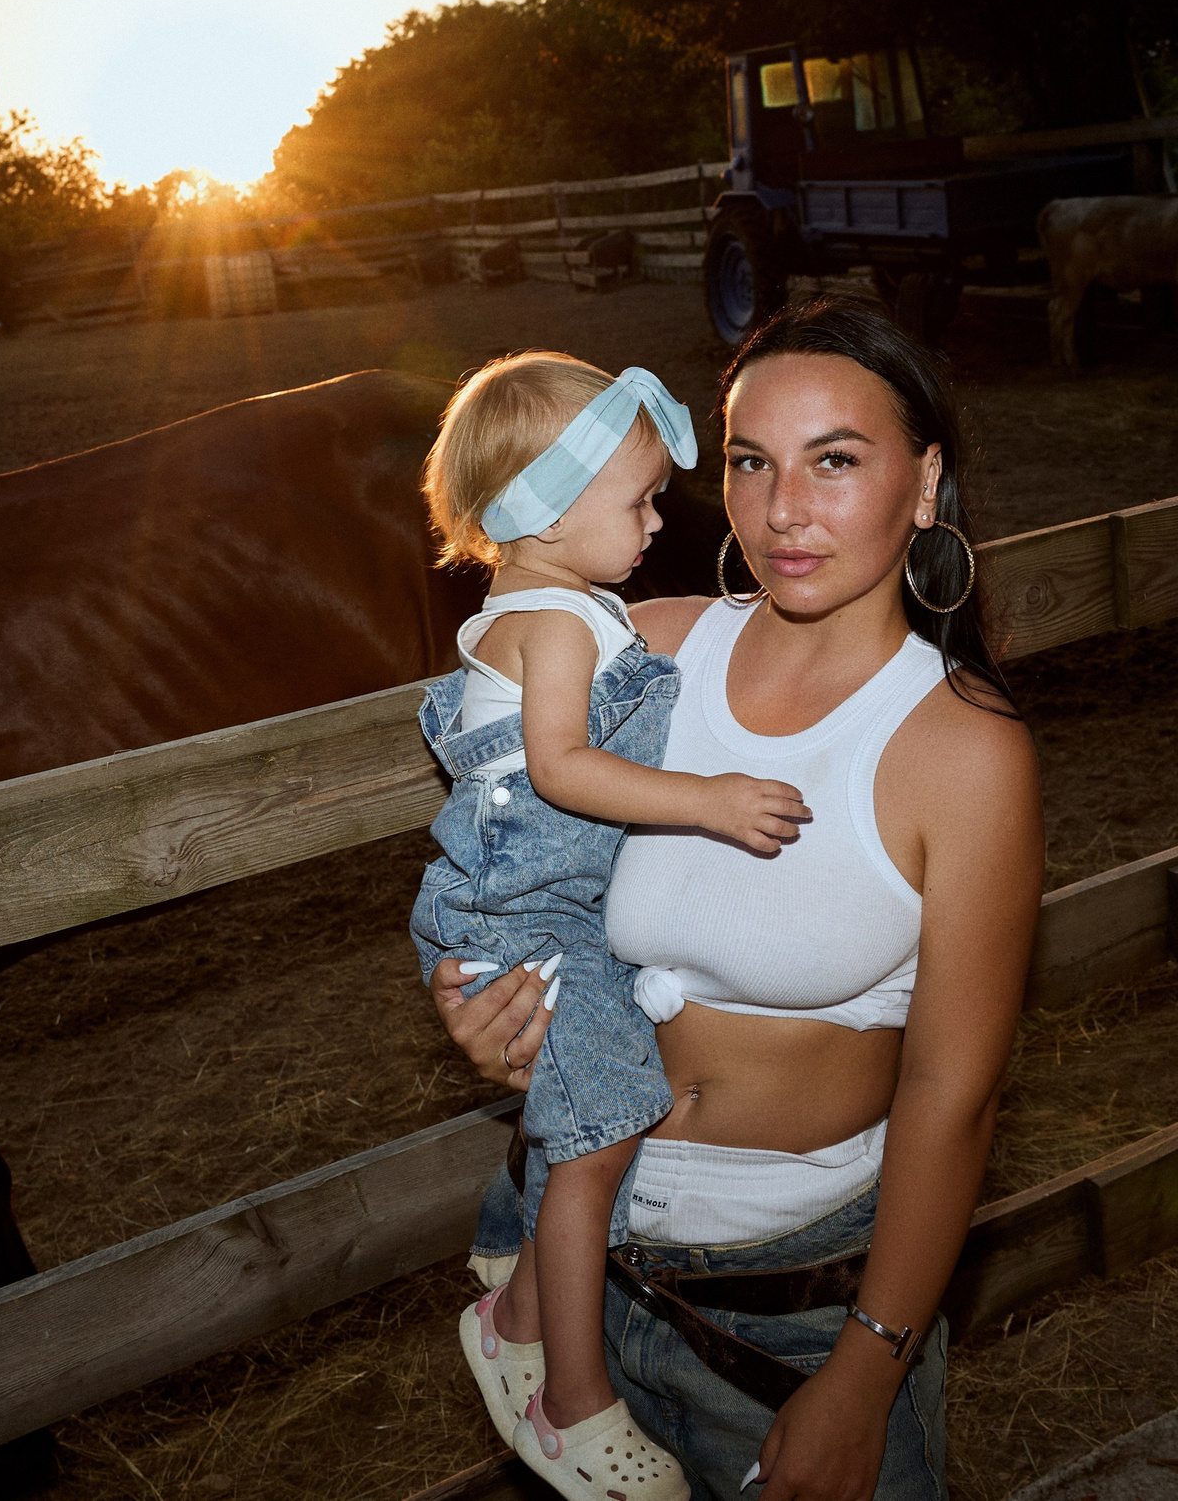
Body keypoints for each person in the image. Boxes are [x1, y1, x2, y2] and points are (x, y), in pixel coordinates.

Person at [432, 299, 1045, 1501]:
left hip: (796, 1311)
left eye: (835, 461)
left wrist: (865, 1373)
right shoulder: (640, 654)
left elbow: (952, 1095)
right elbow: (498, 845)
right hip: (577, 1274)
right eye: (752, 463)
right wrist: (477, 997)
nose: (781, 510)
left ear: (924, 484)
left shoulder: (960, 751)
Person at [412, 352, 812, 1501]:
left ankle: (519, 1304)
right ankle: (572, 1401)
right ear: (543, 506)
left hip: (551, 912)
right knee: (593, 1145)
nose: (653, 521)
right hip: (524, 915)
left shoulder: (561, 609)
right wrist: (710, 802)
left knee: (604, 1111)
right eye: (637, 498)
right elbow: (561, 767)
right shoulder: (557, 626)